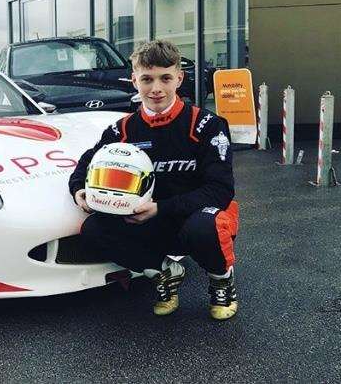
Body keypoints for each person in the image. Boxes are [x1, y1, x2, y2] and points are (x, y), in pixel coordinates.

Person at [68, 40, 239, 320]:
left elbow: (221, 190)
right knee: (94, 229)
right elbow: (87, 162)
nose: (156, 88)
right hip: (146, 221)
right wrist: (79, 190)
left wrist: (162, 208)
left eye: (165, 78)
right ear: (134, 80)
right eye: (147, 79)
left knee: (208, 224)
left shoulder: (207, 124)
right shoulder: (122, 129)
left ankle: (221, 278)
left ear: (179, 78)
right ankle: (164, 273)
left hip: (193, 218)